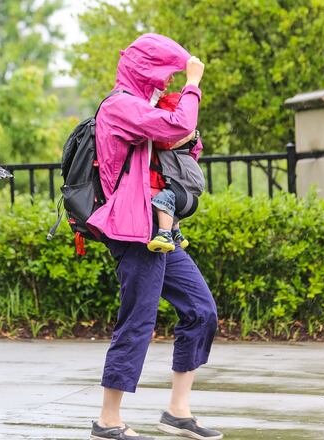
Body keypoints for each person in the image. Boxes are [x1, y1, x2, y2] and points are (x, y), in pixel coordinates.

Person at [86, 33, 223, 440]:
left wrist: (188, 141)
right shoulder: (120, 106)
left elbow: (179, 144)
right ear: (144, 69)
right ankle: (108, 419)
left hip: (160, 228)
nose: (166, 84)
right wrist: (193, 84)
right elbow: (181, 120)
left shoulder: (142, 107)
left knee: (201, 310)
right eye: (162, 76)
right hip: (134, 230)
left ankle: (178, 411)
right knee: (138, 320)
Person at [147, 91, 206, 253]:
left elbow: (165, 140)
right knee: (171, 195)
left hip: (189, 179)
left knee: (166, 197)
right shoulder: (184, 131)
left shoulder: (173, 133)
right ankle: (176, 233)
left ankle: (165, 233)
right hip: (188, 178)